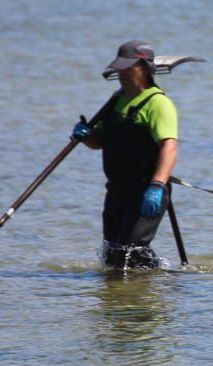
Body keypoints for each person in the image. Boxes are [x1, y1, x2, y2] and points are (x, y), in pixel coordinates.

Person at [71, 40, 178, 269]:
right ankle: (123, 295)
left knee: (132, 252)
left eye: (126, 67)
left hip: (147, 191)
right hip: (117, 190)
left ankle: (152, 289)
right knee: (113, 254)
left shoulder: (158, 103)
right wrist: (85, 136)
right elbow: (100, 142)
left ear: (142, 68)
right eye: (119, 67)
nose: (120, 72)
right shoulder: (116, 101)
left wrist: (158, 185)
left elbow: (169, 147)